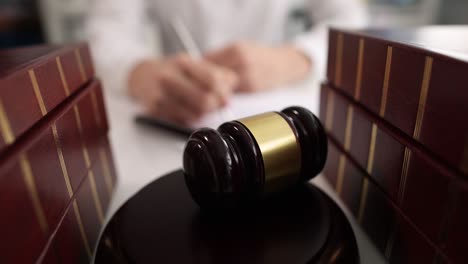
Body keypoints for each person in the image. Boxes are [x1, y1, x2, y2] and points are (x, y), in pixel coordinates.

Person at [87, 0, 366, 124]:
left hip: (274, 107)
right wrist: (139, 73)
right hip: (175, 112)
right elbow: (105, 29)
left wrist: (296, 58)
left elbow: (351, 19)